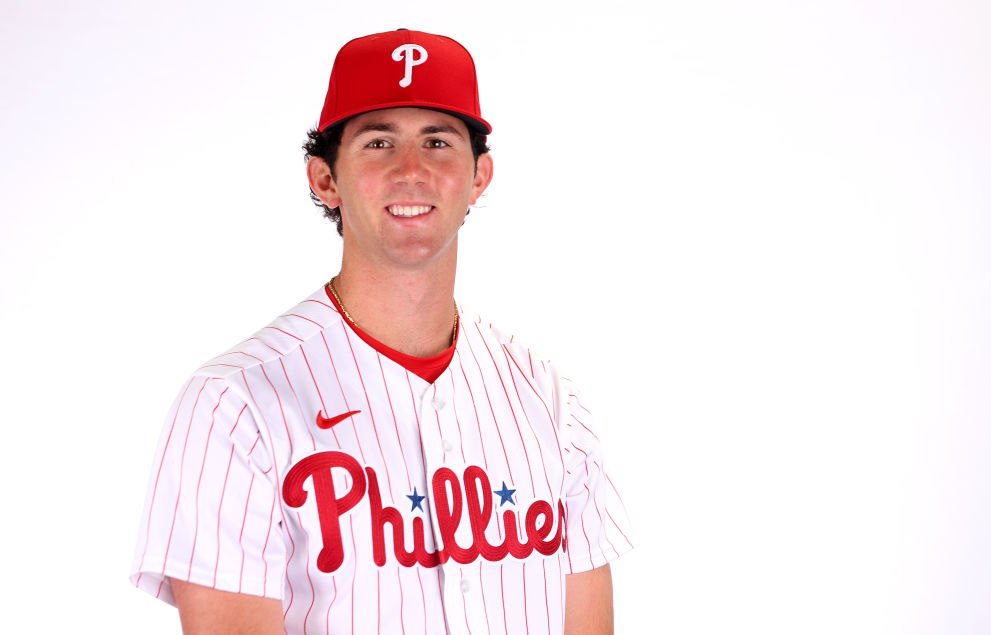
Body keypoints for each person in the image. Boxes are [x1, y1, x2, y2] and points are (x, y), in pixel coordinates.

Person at [130, 29, 632, 634]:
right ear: (325, 179)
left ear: (479, 176)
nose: (412, 170)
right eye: (378, 142)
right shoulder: (233, 405)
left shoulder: (550, 402)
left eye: (439, 141)